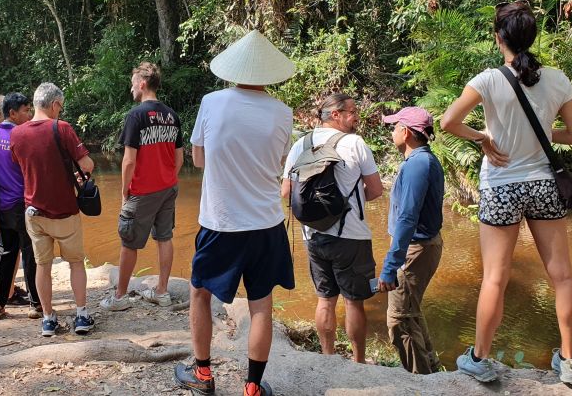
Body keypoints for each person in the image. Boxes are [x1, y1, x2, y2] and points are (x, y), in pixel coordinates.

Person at [441, 1, 572, 384]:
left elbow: (448, 122)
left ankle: (478, 358)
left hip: (501, 186)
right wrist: (542, 134)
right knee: (563, 276)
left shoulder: (488, 79)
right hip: (543, 184)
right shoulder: (556, 79)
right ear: (532, 37)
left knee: (495, 278)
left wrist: (482, 138)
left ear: (498, 38)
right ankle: (570, 361)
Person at [175, 30, 295, 396]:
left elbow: (197, 159)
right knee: (261, 304)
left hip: (220, 223)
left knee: (200, 294)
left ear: (233, 69)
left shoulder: (212, 102)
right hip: (266, 224)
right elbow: (277, 163)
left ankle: (203, 376)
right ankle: (253, 389)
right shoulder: (283, 112)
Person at [280, 92, 383, 364]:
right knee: (353, 301)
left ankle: (327, 359)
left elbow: (285, 192)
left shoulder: (300, 144)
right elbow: (375, 190)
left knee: (325, 299)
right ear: (335, 114)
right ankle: (358, 362)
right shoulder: (355, 143)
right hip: (351, 236)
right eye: (352, 111)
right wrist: (351, 196)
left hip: (313, 235)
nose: (356, 115)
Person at [10, 82, 96, 337]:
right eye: (61, 105)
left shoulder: (17, 134)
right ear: (55, 104)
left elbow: (23, 166)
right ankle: (81, 316)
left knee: (42, 266)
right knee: (76, 263)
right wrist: (77, 175)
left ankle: (48, 319)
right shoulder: (63, 128)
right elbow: (87, 164)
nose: (61, 110)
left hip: (34, 212)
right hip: (65, 211)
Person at [101, 62, 183, 311]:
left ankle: (119, 298)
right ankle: (162, 292)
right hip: (168, 188)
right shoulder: (172, 116)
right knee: (164, 238)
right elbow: (179, 159)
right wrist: (166, 177)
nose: (131, 88)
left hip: (142, 191)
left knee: (129, 243)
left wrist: (125, 190)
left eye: (133, 83)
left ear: (143, 84)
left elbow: (128, 161)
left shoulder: (136, 116)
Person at [378, 106, 445, 374]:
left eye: (395, 127)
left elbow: (407, 218)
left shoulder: (418, 164)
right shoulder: (422, 159)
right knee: (412, 311)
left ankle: (419, 382)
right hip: (420, 246)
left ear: (405, 132)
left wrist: (390, 266)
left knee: (399, 320)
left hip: (416, 249)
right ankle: (432, 371)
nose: (392, 131)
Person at [0, 92, 42, 320]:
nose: (29, 115)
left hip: (3, 205)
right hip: (24, 202)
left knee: (5, 251)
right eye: (26, 111)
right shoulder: (22, 136)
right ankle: (35, 304)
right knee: (30, 253)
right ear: (12, 113)